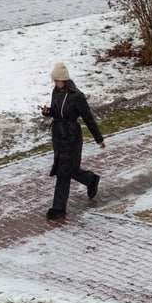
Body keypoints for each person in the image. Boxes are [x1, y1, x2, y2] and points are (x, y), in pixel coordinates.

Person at [41, 61, 106, 223]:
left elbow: (88, 118)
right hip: (58, 135)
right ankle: (91, 179)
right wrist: (48, 112)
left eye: (57, 80)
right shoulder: (55, 92)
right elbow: (56, 111)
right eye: (54, 81)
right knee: (70, 169)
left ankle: (58, 208)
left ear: (64, 79)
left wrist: (99, 139)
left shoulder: (77, 96)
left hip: (72, 136)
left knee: (63, 171)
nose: (55, 83)